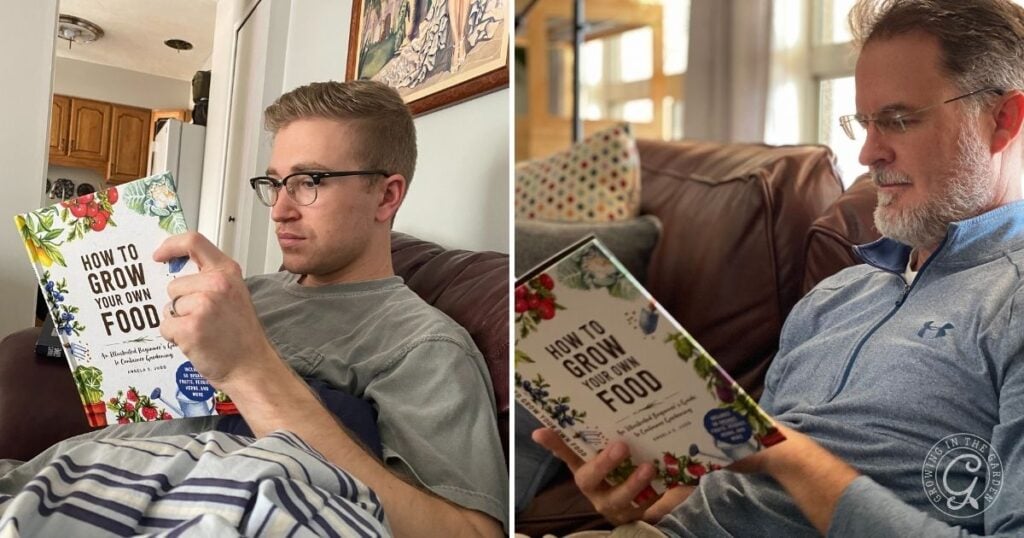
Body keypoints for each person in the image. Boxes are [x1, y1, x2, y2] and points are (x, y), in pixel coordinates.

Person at [530, 0, 1024, 536]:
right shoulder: (834, 296)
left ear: (1003, 120)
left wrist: (793, 458)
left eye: (899, 120)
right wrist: (643, 497)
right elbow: (746, 496)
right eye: (864, 123)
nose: (868, 154)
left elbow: (781, 464)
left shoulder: (1010, 302)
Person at [0, 80, 506, 537]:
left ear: (386, 196)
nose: (280, 209)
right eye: (275, 183)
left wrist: (248, 367)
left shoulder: (420, 344)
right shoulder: (245, 291)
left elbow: (469, 532)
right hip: (47, 479)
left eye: (310, 181)